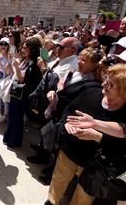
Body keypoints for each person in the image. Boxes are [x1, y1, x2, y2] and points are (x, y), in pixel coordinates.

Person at [45, 63, 125, 205]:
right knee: (58, 180)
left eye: (110, 84)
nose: (104, 84)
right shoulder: (91, 93)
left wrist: (97, 136)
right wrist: (67, 124)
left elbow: (122, 145)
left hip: (95, 164)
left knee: (84, 196)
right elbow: (70, 109)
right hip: (70, 151)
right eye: (106, 79)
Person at [3, 37, 42, 147]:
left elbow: (22, 79)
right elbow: (14, 75)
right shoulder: (25, 60)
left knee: (17, 118)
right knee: (12, 116)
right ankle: (9, 137)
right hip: (16, 93)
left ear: (32, 50)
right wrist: (11, 65)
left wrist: (16, 67)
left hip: (23, 96)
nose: (22, 50)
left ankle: (14, 141)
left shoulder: (35, 64)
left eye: (25, 48)